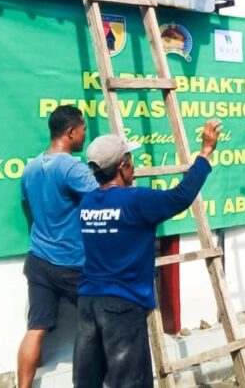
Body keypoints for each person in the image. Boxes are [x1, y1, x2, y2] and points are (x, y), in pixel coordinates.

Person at [72, 120, 221, 388]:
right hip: (122, 308)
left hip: (88, 304)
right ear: (122, 166)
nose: (134, 166)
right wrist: (205, 152)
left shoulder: (88, 202)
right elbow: (179, 197)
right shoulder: (135, 201)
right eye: (131, 160)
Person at [17, 106, 97, 388]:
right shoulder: (72, 168)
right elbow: (103, 199)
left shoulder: (31, 168)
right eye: (84, 130)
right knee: (97, 324)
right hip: (72, 263)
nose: (85, 135)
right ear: (70, 132)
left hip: (38, 260)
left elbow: (29, 208)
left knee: (35, 329)